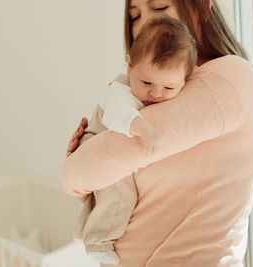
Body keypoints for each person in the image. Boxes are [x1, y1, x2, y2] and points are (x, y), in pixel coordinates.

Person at [62, 0, 253, 266]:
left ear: (202, 6)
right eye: (134, 16)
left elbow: (76, 173)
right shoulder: (153, 96)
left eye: (159, 8)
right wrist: (88, 171)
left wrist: (83, 160)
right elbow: (92, 178)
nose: (146, 23)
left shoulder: (229, 79)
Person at [73, 16, 197, 265]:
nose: (156, 93)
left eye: (169, 88)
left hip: (113, 144)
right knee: (120, 192)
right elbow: (120, 115)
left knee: (107, 196)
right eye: (147, 82)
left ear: (185, 81)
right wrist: (143, 128)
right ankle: (98, 242)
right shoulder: (121, 91)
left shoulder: (166, 87)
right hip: (96, 141)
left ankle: (84, 231)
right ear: (130, 67)